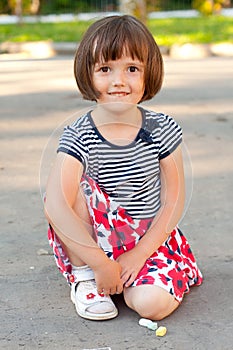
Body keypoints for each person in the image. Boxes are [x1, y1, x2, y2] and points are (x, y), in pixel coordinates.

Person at [44, 15, 203, 321]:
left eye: (132, 69)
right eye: (105, 69)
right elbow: (56, 205)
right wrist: (100, 264)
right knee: (70, 188)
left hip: (148, 239)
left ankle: (137, 279)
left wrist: (140, 254)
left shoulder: (161, 129)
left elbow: (174, 199)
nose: (118, 81)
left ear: (149, 74)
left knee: (150, 305)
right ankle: (85, 277)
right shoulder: (80, 134)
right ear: (88, 75)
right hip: (93, 242)